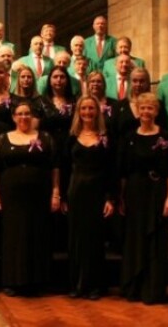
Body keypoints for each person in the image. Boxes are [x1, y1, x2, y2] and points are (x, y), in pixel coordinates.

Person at [0, 101, 59, 296]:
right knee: (13, 236)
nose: (23, 117)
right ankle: (13, 281)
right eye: (20, 114)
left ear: (32, 116)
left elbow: (54, 167)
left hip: (38, 194)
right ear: (13, 117)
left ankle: (37, 280)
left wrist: (55, 192)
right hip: (11, 195)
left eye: (27, 114)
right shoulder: (3, 138)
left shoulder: (45, 137)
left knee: (37, 233)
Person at [118, 93, 168, 304]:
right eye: (142, 108)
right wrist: (121, 197)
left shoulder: (165, 137)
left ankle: (152, 290)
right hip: (134, 193)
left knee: (156, 240)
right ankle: (134, 286)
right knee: (135, 239)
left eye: (150, 108)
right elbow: (123, 171)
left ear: (156, 112)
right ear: (138, 111)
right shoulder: (130, 138)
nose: (146, 112)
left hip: (157, 191)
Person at [65, 95, 115, 300]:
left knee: (94, 239)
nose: (87, 112)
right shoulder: (71, 136)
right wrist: (62, 196)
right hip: (76, 191)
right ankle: (78, 284)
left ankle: (95, 285)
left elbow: (112, 169)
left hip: (97, 192)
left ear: (97, 111)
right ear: (78, 111)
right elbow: (65, 167)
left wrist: (110, 198)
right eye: (83, 108)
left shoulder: (105, 136)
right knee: (76, 239)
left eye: (91, 109)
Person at [111, 67, 168, 137]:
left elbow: (164, 129)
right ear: (130, 82)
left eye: (142, 81)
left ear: (148, 83)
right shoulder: (119, 106)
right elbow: (113, 133)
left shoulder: (157, 104)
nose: (138, 84)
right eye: (135, 81)